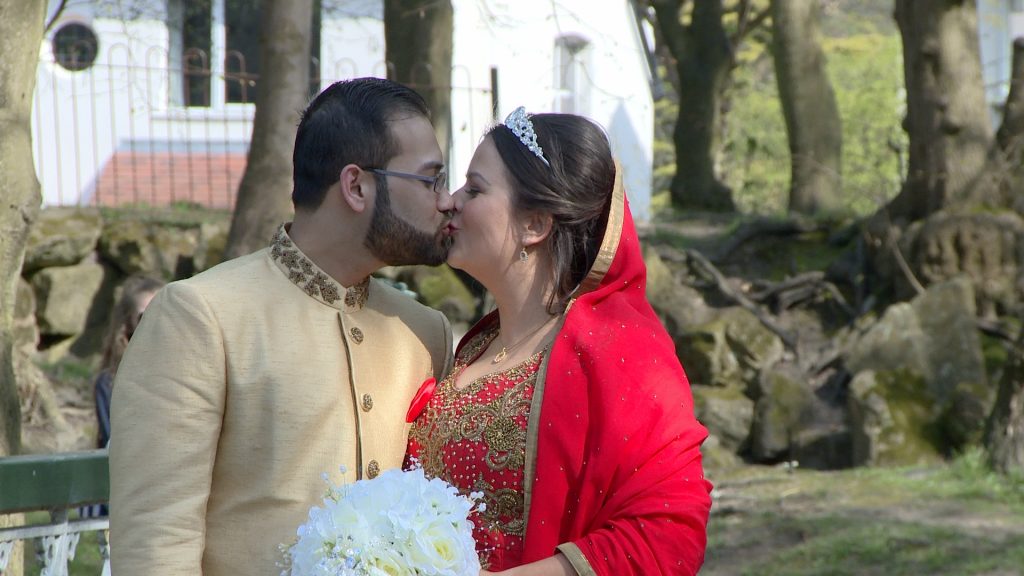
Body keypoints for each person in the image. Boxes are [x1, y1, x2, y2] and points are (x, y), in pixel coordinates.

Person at [109, 77, 455, 575]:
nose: (446, 200)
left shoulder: (425, 332)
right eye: (431, 179)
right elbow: (156, 544)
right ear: (356, 186)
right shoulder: (201, 316)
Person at [406, 108, 712, 575]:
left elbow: (668, 530)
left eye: (475, 188)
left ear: (535, 224)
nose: (450, 201)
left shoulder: (618, 350)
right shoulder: (470, 349)